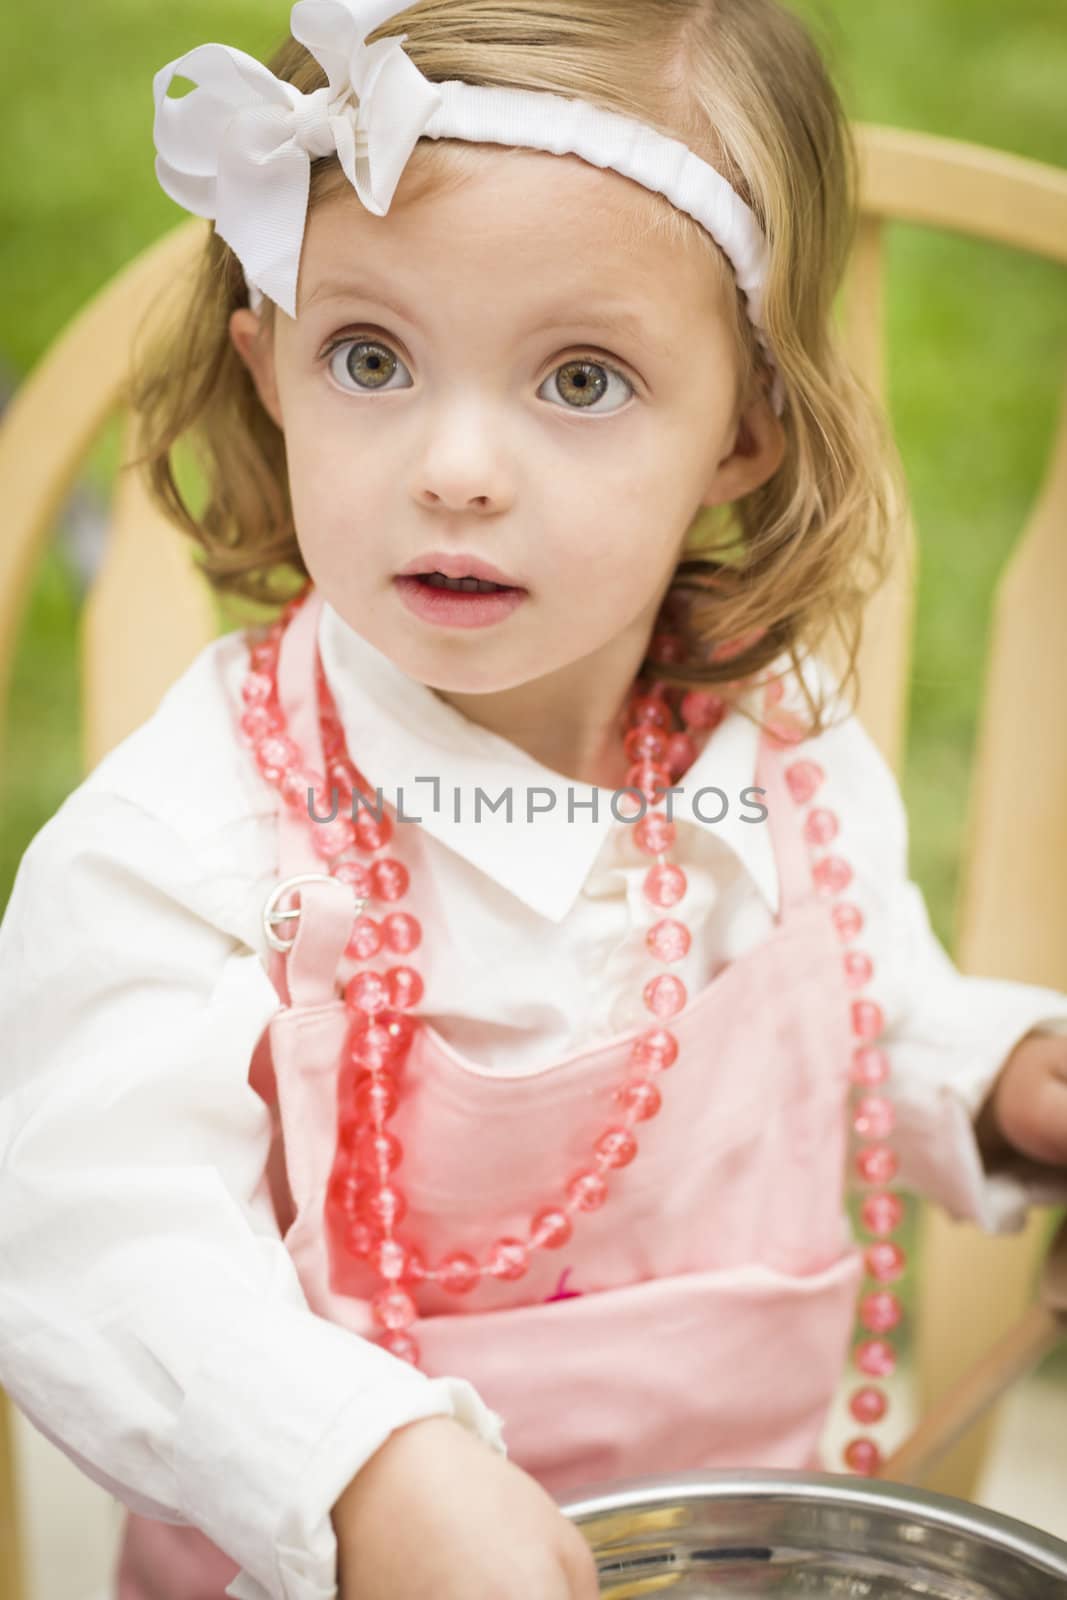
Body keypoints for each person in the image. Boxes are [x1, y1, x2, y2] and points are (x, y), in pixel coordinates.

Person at [1, 1, 1066, 1597]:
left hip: (743, 1559)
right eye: (371, 357)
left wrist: (1001, 1082)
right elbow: (87, 1238)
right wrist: (358, 1472)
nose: (458, 467)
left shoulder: (776, 755)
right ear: (270, 368)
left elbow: (851, 1012)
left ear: (746, 427)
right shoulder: (205, 838)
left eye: (581, 378)